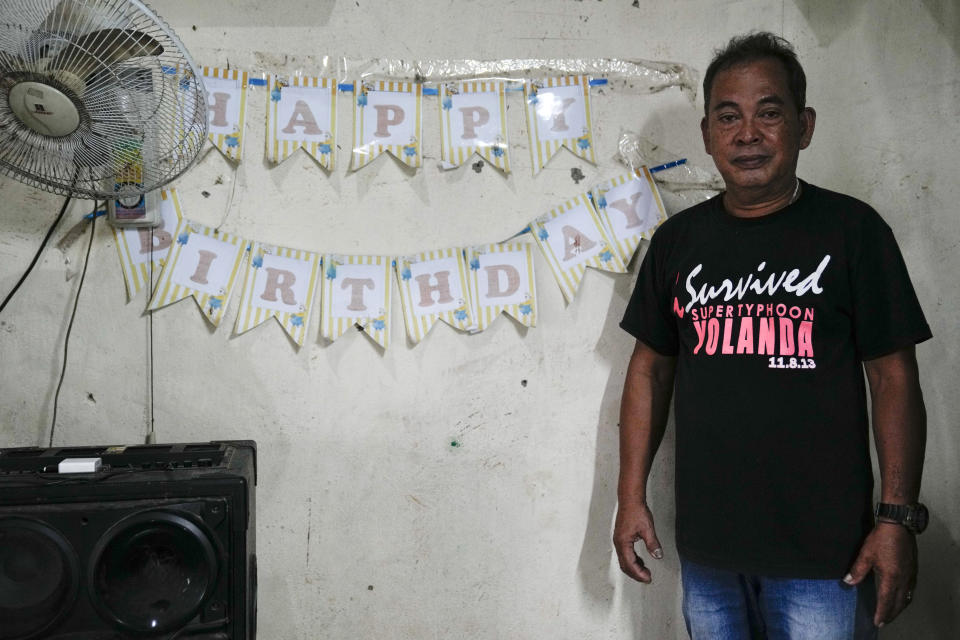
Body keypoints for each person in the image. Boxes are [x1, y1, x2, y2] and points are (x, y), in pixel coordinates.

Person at [613, 32, 931, 639]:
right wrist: (630, 498)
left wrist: (896, 520)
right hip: (709, 550)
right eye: (727, 117)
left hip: (826, 557)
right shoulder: (678, 242)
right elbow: (649, 370)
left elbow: (894, 378)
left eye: (769, 112)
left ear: (804, 126)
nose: (747, 134)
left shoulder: (853, 232)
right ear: (707, 135)